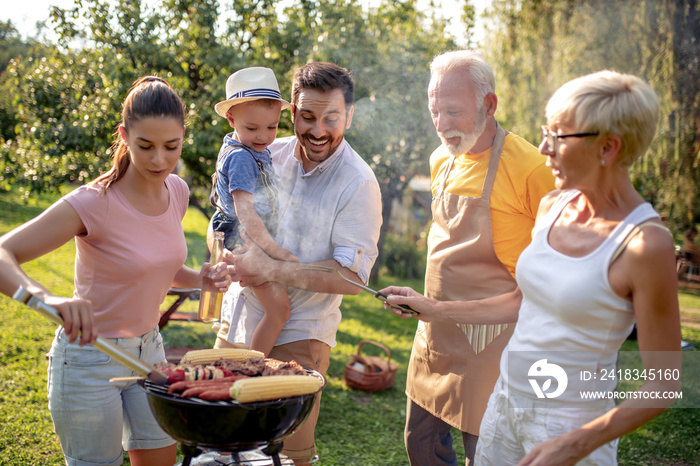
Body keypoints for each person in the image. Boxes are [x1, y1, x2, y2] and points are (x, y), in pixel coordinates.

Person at [383, 70, 682, 465]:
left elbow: (665, 383)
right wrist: (434, 308)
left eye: (558, 136)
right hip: (505, 406)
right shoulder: (553, 207)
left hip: (570, 425)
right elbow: (521, 301)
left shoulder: (645, 244)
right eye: (546, 131)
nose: (543, 148)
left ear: (608, 148)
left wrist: (575, 442)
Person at [0, 76, 232, 466]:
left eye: (171, 147)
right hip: (91, 357)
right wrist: (46, 297)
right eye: (146, 146)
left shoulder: (176, 191)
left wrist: (200, 279)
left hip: (150, 352)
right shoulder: (92, 203)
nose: (159, 159)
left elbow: (161, 266)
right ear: (124, 136)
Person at [378, 50, 555, 466]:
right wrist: (425, 303)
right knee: (421, 447)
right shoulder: (442, 159)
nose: (442, 125)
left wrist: (438, 307)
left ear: (489, 105)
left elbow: (543, 288)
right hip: (435, 338)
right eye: (434, 110)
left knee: (487, 454)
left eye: (453, 112)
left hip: (496, 344)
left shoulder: (532, 170)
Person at [216, 62, 383, 462]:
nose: (318, 130)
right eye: (307, 117)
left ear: (349, 115)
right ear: (291, 113)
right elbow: (224, 213)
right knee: (223, 445)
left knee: (286, 455)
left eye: (332, 118)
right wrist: (222, 248)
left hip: (299, 336)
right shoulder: (262, 150)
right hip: (236, 320)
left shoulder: (358, 183)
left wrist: (273, 269)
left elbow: (351, 277)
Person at [210, 66, 298, 356]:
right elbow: (245, 212)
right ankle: (254, 365)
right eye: (252, 128)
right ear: (232, 118)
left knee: (274, 310)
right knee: (279, 310)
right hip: (244, 237)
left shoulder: (249, 150)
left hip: (245, 235)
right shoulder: (241, 159)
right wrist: (275, 251)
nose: (263, 136)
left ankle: (249, 357)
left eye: (272, 127)